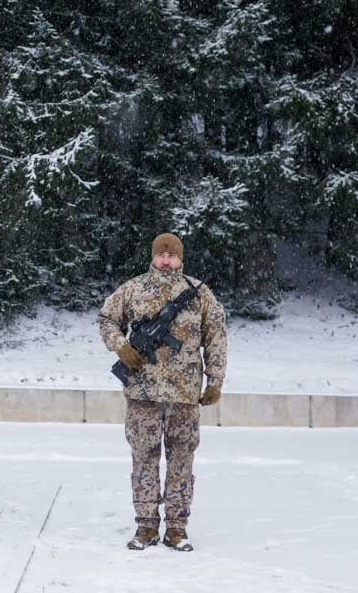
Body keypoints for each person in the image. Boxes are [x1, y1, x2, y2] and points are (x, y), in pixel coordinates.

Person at [98, 232, 226, 551]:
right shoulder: (133, 288)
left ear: (180, 258)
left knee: (182, 458)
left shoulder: (199, 293)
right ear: (153, 257)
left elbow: (216, 336)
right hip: (142, 390)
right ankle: (146, 526)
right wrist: (122, 348)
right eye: (161, 254)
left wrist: (215, 380)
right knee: (144, 456)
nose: (166, 260)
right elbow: (106, 320)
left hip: (184, 393)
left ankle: (177, 527)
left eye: (172, 255)